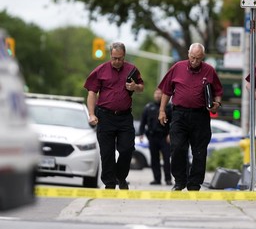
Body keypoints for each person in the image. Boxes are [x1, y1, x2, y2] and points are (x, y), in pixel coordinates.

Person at [158, 43, 223, 191]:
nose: (194, 61)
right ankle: (179, 181)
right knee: (177, 148)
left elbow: (218, 91)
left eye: (198, 59)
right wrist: (162, 110)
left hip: (200, 115)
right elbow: (166, 91)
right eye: (192, 57)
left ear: (203, 57)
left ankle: (194, 183)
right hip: (179, 115)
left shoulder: (209, 71)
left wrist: (216, 104)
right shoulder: (177, 67)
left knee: (199, 151)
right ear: (188, 54)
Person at [84, 41, 144, 190]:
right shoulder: (100, 70)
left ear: (124, 56)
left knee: (127, 149)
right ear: (110, 55)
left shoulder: (132, 70)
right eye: (114, 58)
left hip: (124, 117)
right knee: (107, 152)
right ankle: (110, 183)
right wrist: (91, 114)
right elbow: (91, 93)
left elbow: (142, 87)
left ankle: (121, 177)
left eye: (120, 58)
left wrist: (134, 87)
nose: (117, 61)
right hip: (105, 116)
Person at [139, 88, 172, 186]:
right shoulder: (148, 107)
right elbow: (143, 121)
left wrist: (170, 134)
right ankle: (157, 179)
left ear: (163, 95)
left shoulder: (169, 107)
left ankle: (168, 179)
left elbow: (173, 122)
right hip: (152, 137)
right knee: (154, 159)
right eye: (156, 93)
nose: (157, 95)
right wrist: (141, 133)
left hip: (164, 137)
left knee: (166, 159)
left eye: (159, 93)